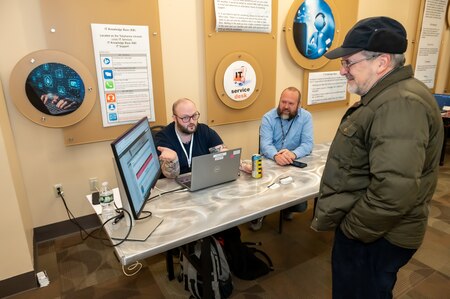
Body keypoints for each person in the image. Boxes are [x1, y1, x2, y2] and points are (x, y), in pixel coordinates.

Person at [311, 16, 444, 298]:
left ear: (381, 62)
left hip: (375, 237)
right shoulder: (392, 96)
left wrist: (352, 229)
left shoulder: (399, 103)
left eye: (348, 62)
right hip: (376, 231)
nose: (341, 71)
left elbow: (394, 190)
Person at [250, 87, 314, 231]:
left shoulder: (306, 117)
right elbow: (265, 144)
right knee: (262, 195)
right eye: (283, 102)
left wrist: (293, 154)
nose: (285, 106)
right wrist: (276, 155)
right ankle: (260, 214)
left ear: (299, 104)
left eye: (291, 103)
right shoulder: (268, 117)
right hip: (270, 162)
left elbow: (308, 144)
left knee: (301, 205)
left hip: (292, 164)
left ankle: (287, 208)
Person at [155, 98, 226, 178]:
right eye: (185, 118)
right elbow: (170, 176)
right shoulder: (164, 137)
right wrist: (173, 160)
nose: (192, 121)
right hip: (176, 186)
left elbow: (223, 156)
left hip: (203, 179)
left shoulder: (204, 131)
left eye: (194, 116)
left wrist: (241, 165)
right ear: (175, 118)